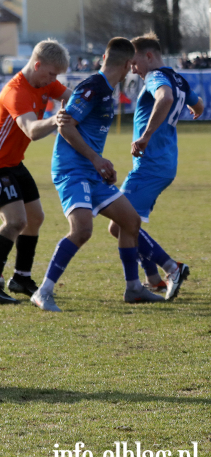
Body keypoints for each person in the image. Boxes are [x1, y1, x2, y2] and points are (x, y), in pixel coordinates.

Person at [30, 38, 164, 312]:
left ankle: (134, 288)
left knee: (131, 221)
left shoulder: (106, 89)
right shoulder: (92, 88)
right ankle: (43, 291)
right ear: (128, 65)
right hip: (72, 170)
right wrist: (95, 158)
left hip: (92, 171)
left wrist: (99, 164)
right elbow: (66, 128)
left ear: (104, 55)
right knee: (82, 231)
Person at [0, 40, 73, 304]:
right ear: (37, 65)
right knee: (16, 221)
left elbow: (70, 96)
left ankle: (21, 278)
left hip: (14, 163)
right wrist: (56, 119)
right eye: (51, 74)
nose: (54, 80)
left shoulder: (44, 82)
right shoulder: (16, 92)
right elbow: (31, 130)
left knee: (35, 218)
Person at [107, 32, 204, 300]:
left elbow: (166, 99)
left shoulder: (156, 77)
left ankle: (172, 269)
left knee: (119, 225)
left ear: (149, 56)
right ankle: (153, 279)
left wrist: (146, 135)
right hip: (164, 163)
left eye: (135, 63)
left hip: (150, 165)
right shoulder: (179, 77)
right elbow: (200, 105)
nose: (133, 69)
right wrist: (193, 110)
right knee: (127, 223)